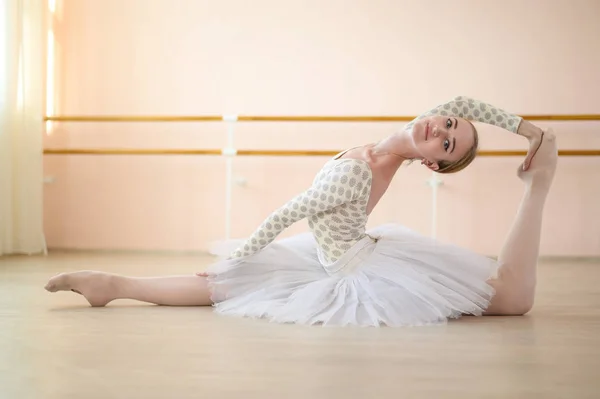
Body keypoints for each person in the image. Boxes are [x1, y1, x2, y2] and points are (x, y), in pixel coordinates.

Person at [44, 96, 558, 327]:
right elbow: (469, 102)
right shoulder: (389, 149)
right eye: (447, 122)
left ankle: (540, 184)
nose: (441, 131)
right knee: (226, 287)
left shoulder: (363, 167)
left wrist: (239, 254)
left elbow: (284, 213)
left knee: (510, 301)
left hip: (352, 261)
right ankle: (113, 284)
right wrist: (527, 130)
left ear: (433, 163)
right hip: (330, 253)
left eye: (447, 144)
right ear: (433, 113)